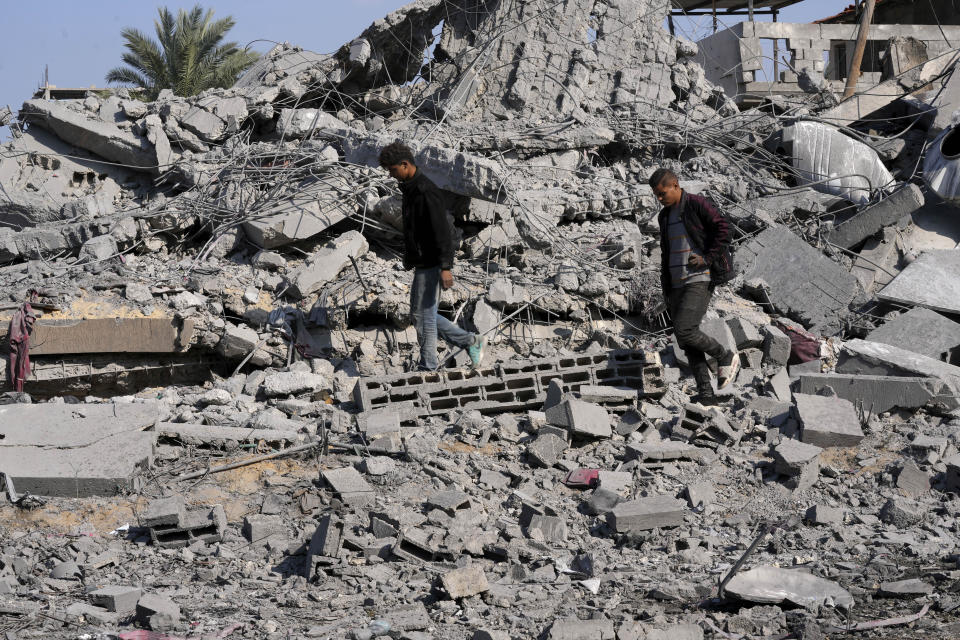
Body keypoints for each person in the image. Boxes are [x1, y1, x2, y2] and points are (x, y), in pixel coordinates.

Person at [378, 140, 484, 371]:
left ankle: (428, 366)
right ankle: (470, 341)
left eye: (393, 170)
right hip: (423, 261)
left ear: (405, 165)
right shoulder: (411, 189)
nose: (391, 175)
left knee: (424, 315)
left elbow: (442, 231)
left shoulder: (426, 191)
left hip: (433, 262)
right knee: (419, 315)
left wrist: (445, 266)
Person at [649, 168, 739, 404]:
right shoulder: (664, 216)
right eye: (656, 195)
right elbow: (666, 252)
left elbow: (724, 228)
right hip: (675, 282)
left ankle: (725, 355)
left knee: (685, 330)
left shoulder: (697, 204)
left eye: (662, 193)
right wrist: (666, 286)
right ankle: (706, 394)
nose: (660, 199)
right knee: (686, 341)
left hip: (700, 277)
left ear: (676, 185)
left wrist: (707, 258)